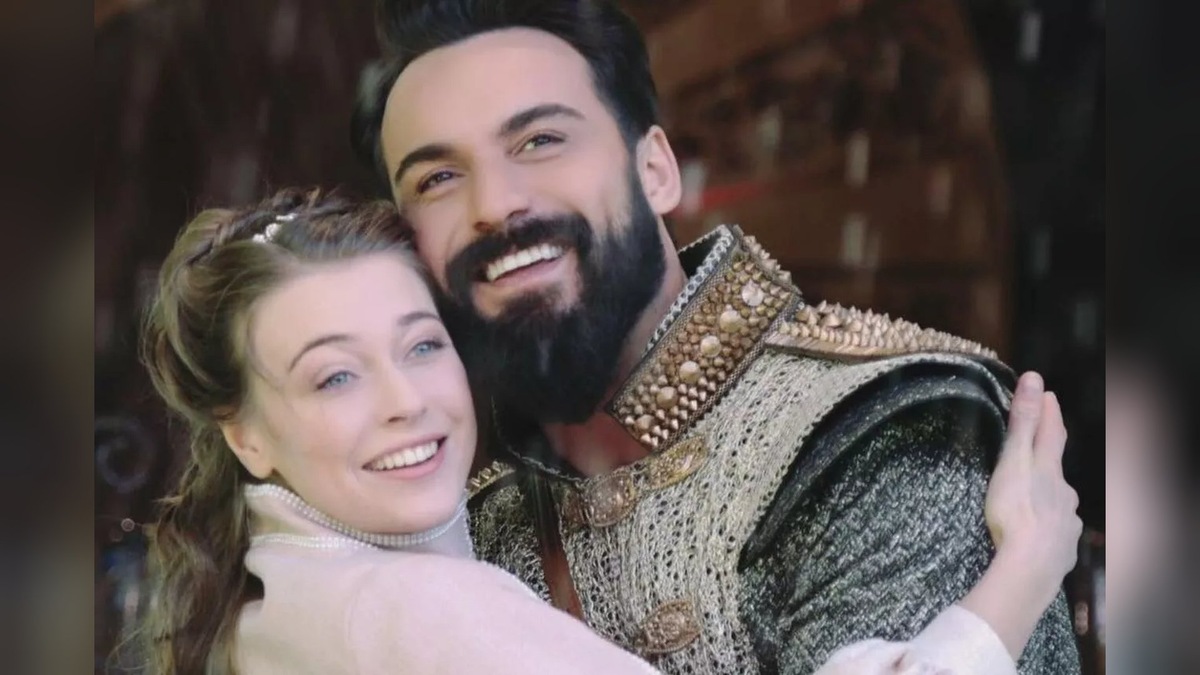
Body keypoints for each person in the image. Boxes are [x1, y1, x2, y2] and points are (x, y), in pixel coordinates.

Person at [350, 1, 1084, 673]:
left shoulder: (878, 425)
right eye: (436, 178)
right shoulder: (469, 530)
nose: (495, 203)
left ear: (656, 171)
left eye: (540, 140)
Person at [136, 189, 1075, 674]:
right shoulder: (416, 612)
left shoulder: (269, 606)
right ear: (245, 436)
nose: (403, 401)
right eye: (335, 375)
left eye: (422, 346)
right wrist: (1021, 575)